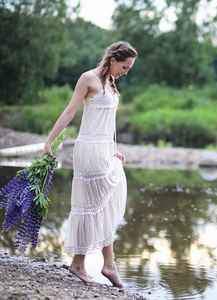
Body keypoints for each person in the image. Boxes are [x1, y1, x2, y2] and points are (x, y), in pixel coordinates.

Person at [40, 41, 138, 288]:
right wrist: (48, 141)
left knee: (103, 205)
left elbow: (108, 121)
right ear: (113, 59)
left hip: (105, 149)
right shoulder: (88, 78)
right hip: (90, 149)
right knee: (91, 205)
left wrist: (114, 148)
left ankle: (101, 264)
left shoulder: (111, 83)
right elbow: (69, 112)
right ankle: (89, 264)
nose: (126, 72)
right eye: (125, 66)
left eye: (129, 68)